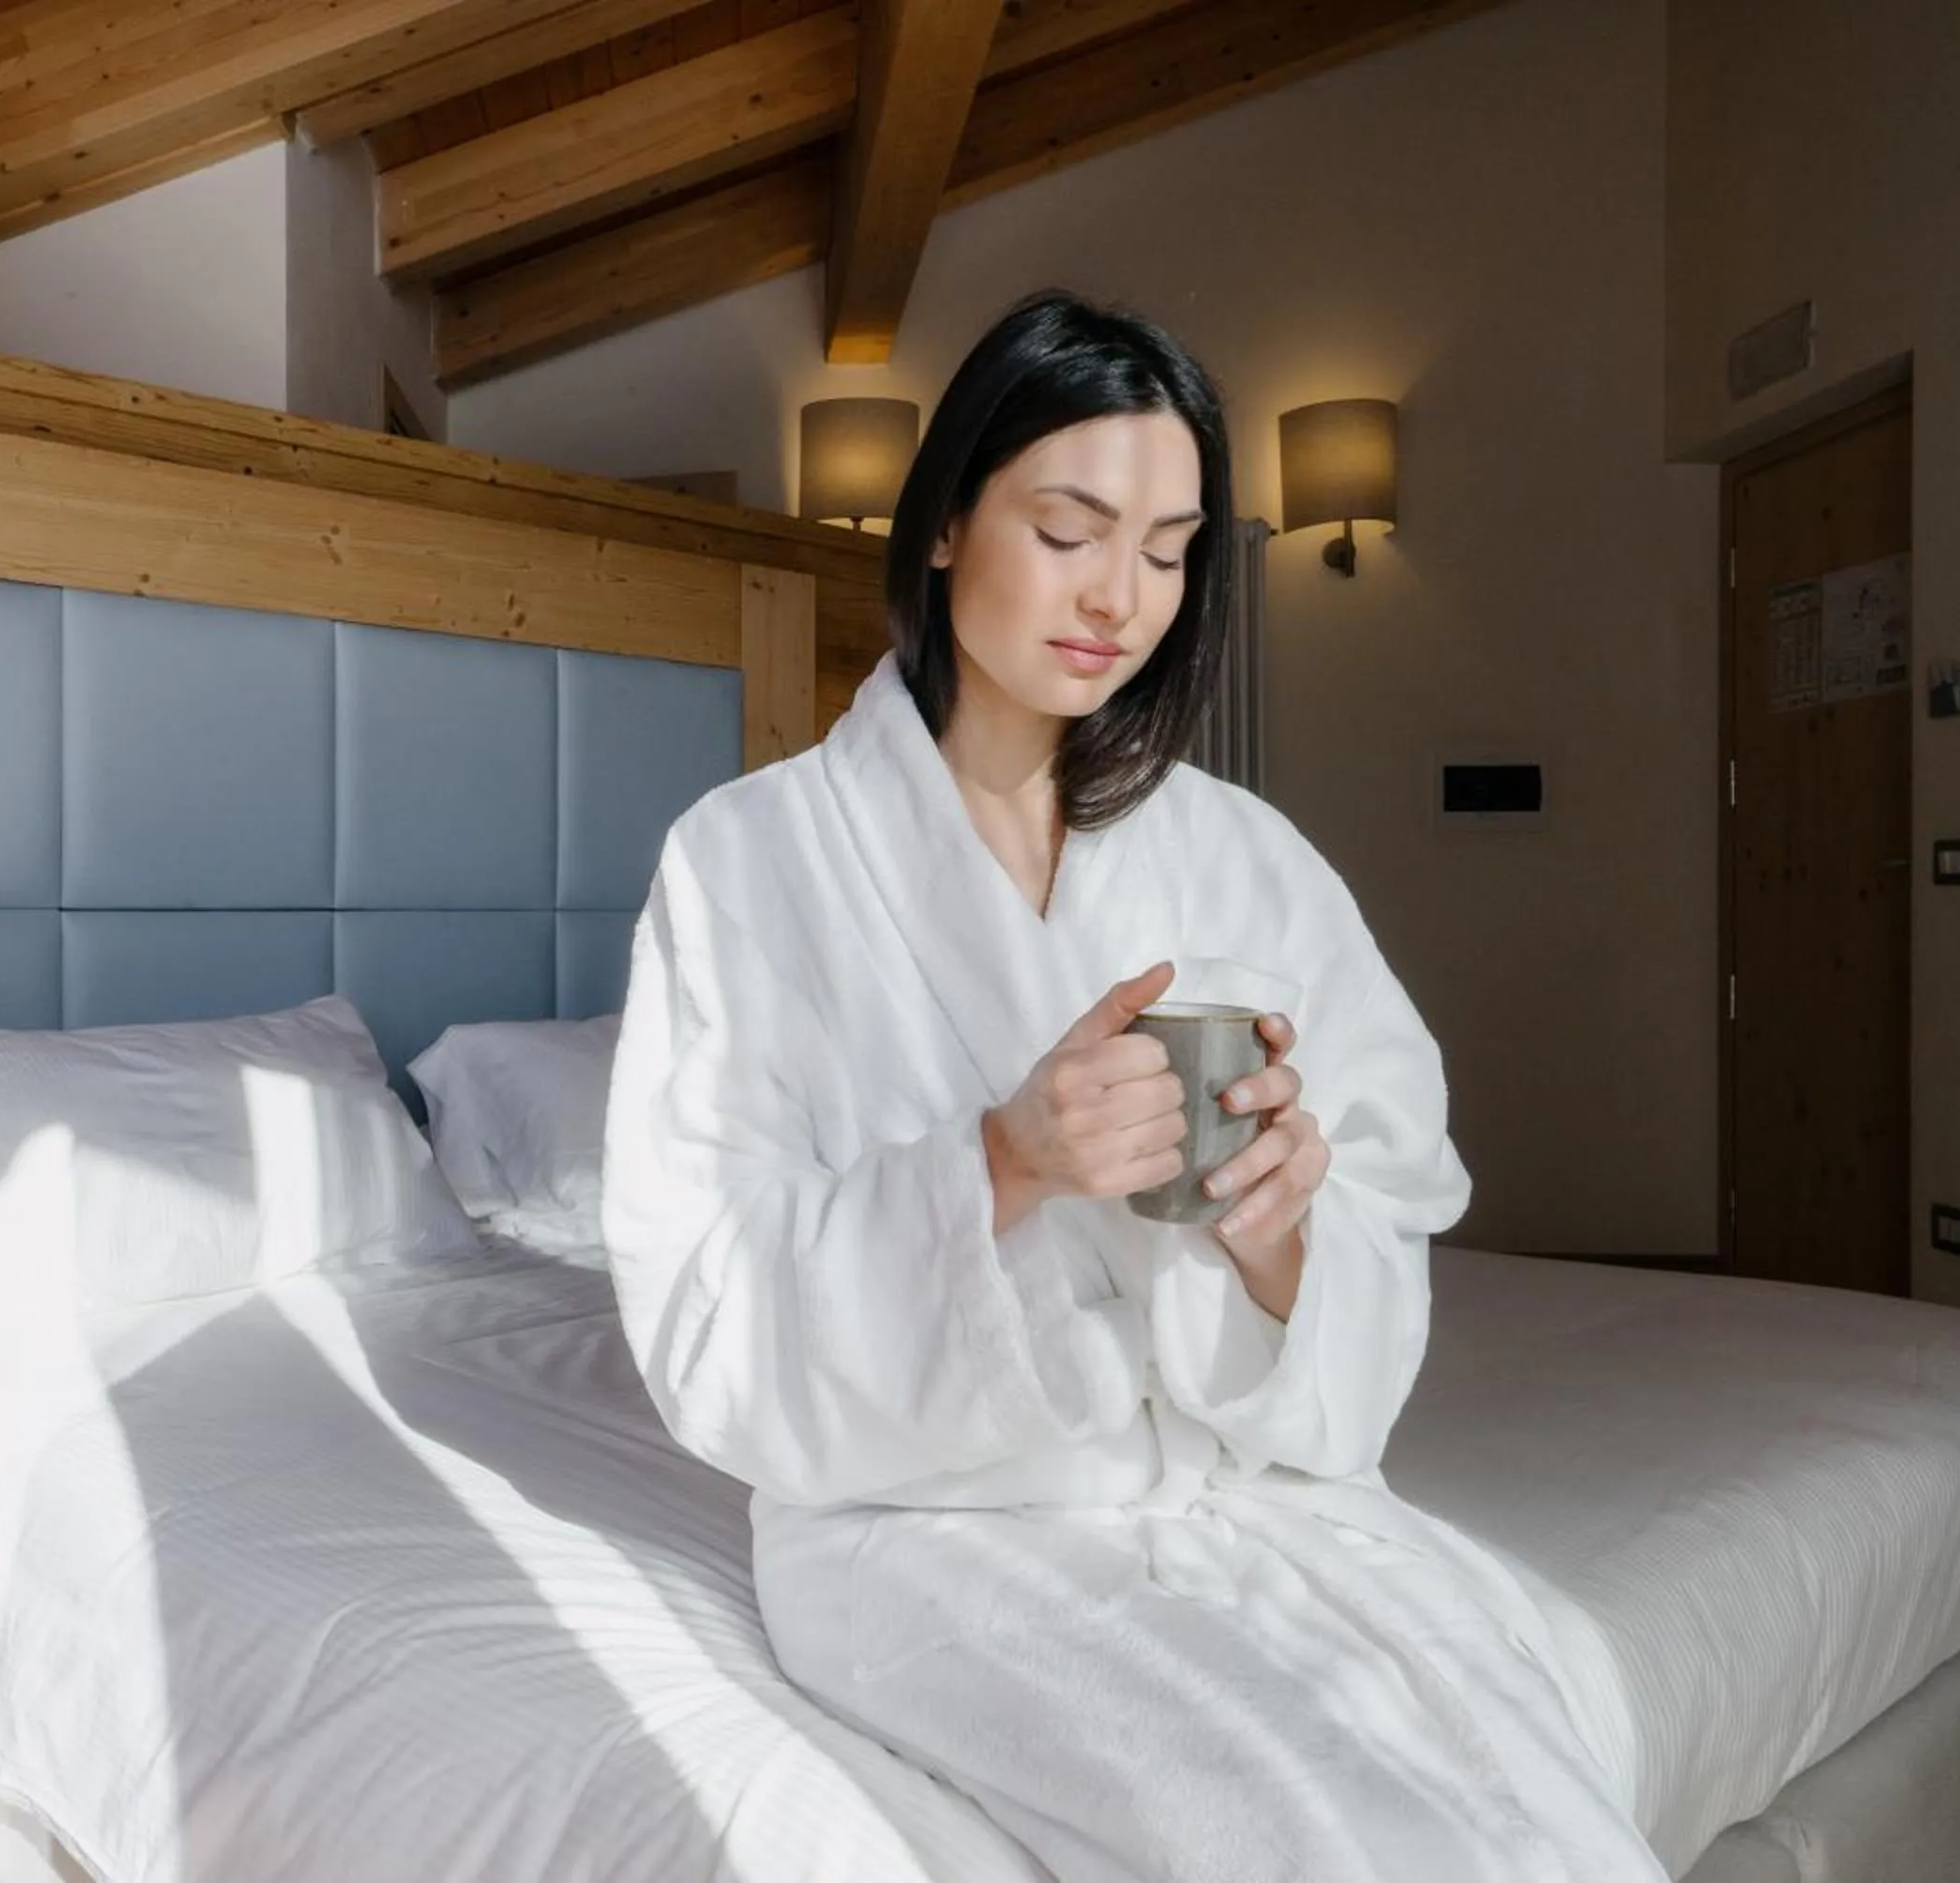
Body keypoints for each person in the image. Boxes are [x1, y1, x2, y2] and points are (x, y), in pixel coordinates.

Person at [601, 292, 1663, 1881]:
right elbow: (709, 1314)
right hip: (935, 1531)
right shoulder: (747, 862)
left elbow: (1384, 1197)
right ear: (948, 521)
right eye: (1073, 527)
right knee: (1331, 1826)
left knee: (1539, 1800)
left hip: (1243, 1496)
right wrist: (1001, 1164)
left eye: (1168, 551)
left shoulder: (1245, 852)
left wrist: (1281, 1232)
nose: (1122, 598)